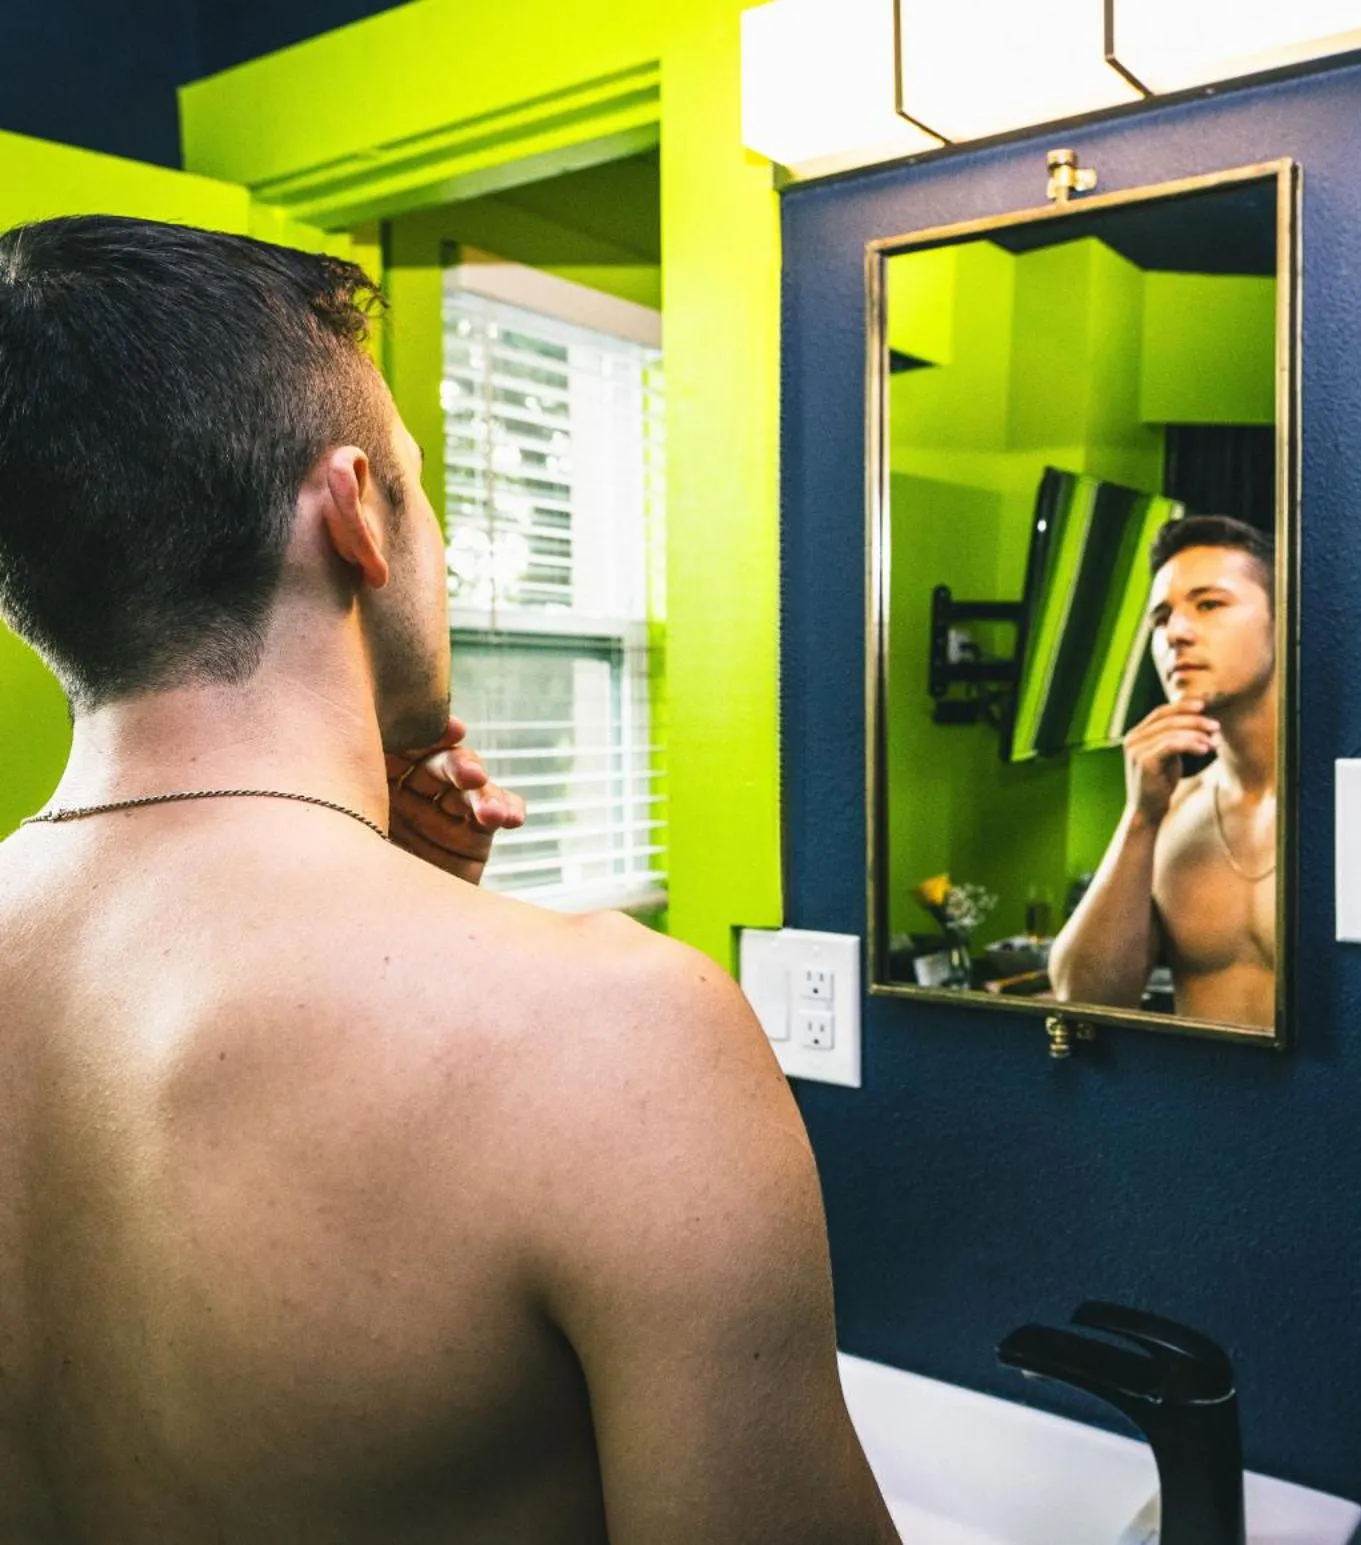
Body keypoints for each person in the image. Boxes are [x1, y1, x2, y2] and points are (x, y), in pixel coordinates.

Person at [0, 216, 899, 1544]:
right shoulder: (619, 1037)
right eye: (421, 491)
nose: (447, 549)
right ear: (354, 511)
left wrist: (412, 897)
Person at [1047, 516, 1277, 1029]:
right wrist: (1141, 817)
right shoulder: (1172, 811)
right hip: (1195, 1107)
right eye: (1161, 617)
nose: (1175, 632)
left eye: (1209, 604)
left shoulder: (1351, 805)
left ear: (1283, 621)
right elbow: (1083, 1003)